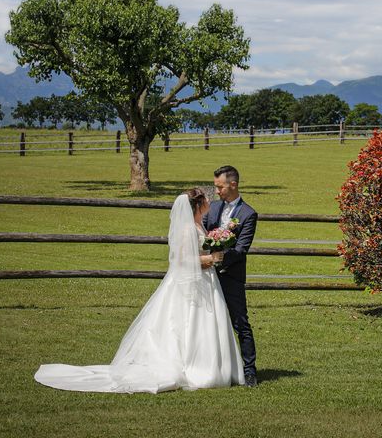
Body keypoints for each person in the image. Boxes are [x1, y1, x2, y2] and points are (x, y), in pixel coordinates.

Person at [34, 188, 245, 393]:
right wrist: (210, 258)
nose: (210, 201)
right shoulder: (188, 228)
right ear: (199, 204)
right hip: (190, 282)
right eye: (207, 199)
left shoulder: (198, 224)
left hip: (204, 280)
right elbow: (182, 260)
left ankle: (210, 365)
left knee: (202, 324)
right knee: (185, 322)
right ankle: (195, 368)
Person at [203, 165, 258, 387]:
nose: (217, 191)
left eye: (220, 187)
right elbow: (203, 232)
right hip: (206, 275)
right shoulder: (214, 207)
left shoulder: (248, 214)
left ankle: (250, 370)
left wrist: (218, 258)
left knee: (240, 322)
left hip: (231, 276)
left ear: (233, 184)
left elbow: (241, 249)